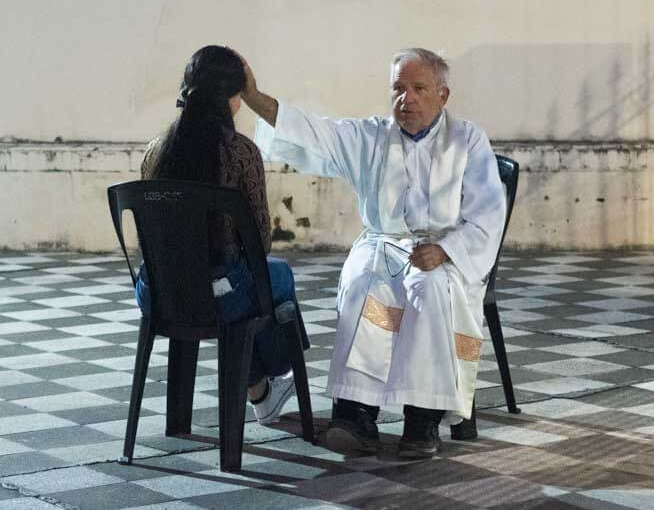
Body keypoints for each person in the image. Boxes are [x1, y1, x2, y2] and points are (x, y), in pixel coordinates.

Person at [242, 47, 506, 458]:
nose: (408, 98)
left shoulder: (467, 140)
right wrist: (254, 96)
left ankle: (424, 419)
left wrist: (446, 249)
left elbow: (488, 215)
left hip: (446, 255)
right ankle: (355, 415)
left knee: (430, 291)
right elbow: (314, 132)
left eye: (419, 88)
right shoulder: (372, 137)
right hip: (383, 243)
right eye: (399, 88)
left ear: (443, 95)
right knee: (364, 283)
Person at [134, 45, 297, 426]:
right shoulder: (241, 153)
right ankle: (274, 374)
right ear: (234, 97)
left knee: (253, 284)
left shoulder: (155, 150)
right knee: (277, 277)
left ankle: (261, 389)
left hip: (157, 293)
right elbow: (260, 244)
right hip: (219, 295)